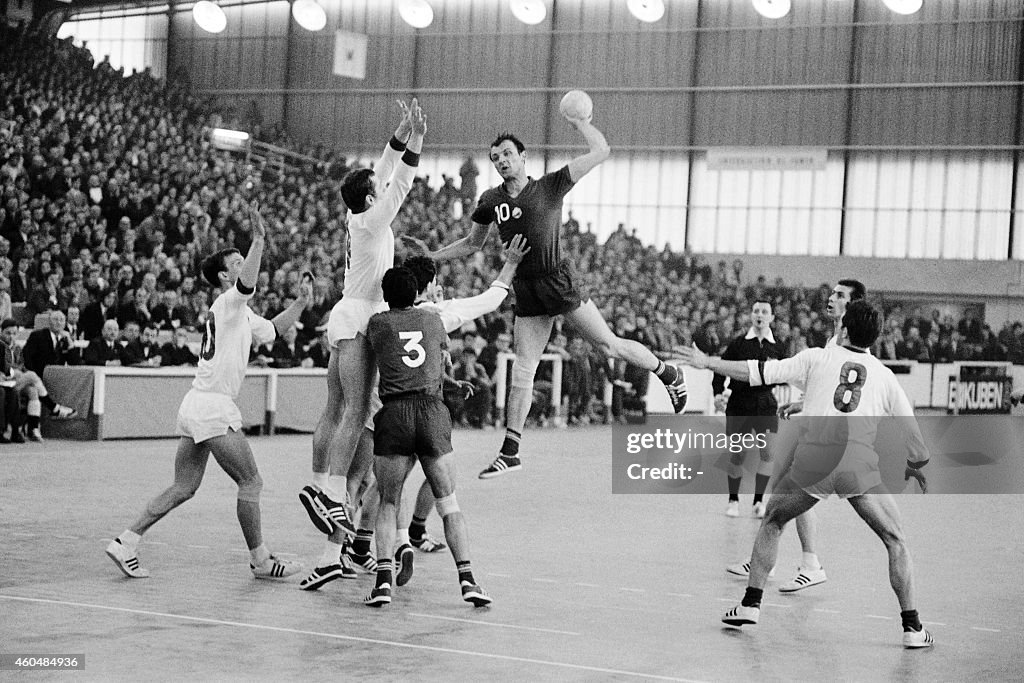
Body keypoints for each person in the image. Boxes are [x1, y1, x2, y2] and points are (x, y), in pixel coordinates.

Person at [405, 116, 687, 480]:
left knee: (609, 347)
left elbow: (602, 151)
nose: (502, 160)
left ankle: (668, 372)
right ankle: (511, 451)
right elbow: (473, 243)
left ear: (523, 157)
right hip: (526, 286)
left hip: (558, 280)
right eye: (495, 157)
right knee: (523, 370)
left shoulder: (551, 185)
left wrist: (582, 121)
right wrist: (433, 256)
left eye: (507, 154)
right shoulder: (490, 199)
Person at [677, 299, 934, 649]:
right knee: (896, 540)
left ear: (843, 329)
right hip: (858, 468)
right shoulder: (885, 377)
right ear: (875, 337)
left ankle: (751, 604)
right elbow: (913, 436)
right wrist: (916, 465)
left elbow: (756, 372)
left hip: (813, 465)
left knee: (772, 522)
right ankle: (913, 628)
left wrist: (707, 362)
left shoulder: (815, 358)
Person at [298, 236, 529, 591]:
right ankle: (394, 545)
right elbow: (492, 298)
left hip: (378, 400)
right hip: (419, 406)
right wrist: (511, 263)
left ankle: (353, 550)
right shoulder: (438, 315)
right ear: (430, 285)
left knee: (366, 479)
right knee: (400, 487)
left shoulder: (377, 315)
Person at [105, 203, 310, 582]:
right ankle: (261, 561)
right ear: (223, 276)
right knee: (251, 481)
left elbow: (274, 331)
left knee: (184, 487)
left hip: (196, 403)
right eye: (236, 263)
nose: (243, 266)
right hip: (213, 406)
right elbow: (247, 283)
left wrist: (300, 302)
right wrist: (260, 239)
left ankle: (125, 541)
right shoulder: (230, 300)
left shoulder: (242, 313)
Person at [299, 99, 426, 576]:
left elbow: (383, 168)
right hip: (362, 317)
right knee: (357, 411)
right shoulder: (374, 218)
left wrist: (402, 132)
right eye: (376, 188)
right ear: (370, 198)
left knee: (336, 408)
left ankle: (323, 488)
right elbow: (402, 183)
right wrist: (419, 142)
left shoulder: (359, 214)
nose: (380, 183)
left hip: (345, 313)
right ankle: (331, 493)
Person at [726, 280, 868, 591]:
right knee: (785, 487)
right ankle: (779, 558)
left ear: (853, 304)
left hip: (832, 436)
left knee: (796, 492)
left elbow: (855, 383)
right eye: (832, 293)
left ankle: (802, 562)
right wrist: (805, 402)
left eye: (839, 295)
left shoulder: (851, 341)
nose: (830, 298)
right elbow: (834, 383)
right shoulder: (835, 339)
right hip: (818, 426)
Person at [363, 267, 490, 607]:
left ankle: (384, 582)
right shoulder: (433, 321)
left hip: (396, 412)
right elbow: (429, 363)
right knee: (449, 502)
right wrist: (450, 384)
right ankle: (468, 580)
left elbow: (390, 360)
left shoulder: (377, 323)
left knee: (389, 500)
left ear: (386, 296)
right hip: (432, 411)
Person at [712, 300, 784, 519]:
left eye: (764, 312)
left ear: (771, 317)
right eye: (755, 311)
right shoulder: (738, 344)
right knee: (738, 455)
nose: (759, 315)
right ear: (751, 316)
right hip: (739, 404)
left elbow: (789, 371)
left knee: (768, 453)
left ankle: (758, 501)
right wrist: (717, 392)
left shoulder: (778, 346)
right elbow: (719, 369)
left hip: (766, 405)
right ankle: (733, 500)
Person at [1, 318, 77, 442]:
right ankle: (54, 407)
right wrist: (15, 372)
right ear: (1, 332)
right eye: (8, 333)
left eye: (14, 334)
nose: (11, 337)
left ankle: (33, 428)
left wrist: (19, 372)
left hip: (15, 381)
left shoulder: (17, 348)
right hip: (3, 381)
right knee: (32, 376)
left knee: (33, 390)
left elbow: (21, 365)